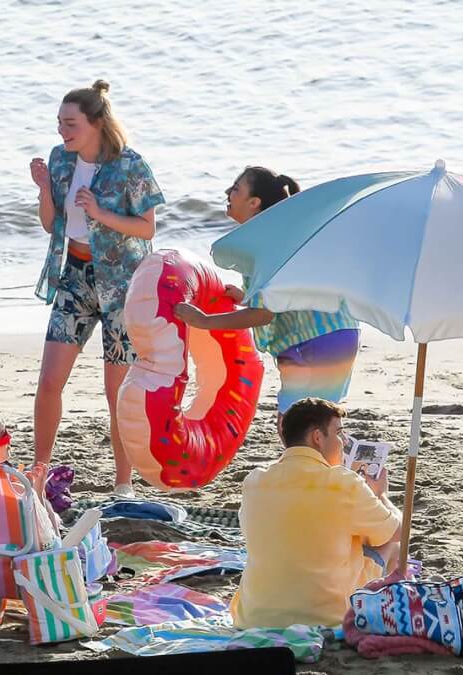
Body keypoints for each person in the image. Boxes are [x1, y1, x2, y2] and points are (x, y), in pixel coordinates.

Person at [28, 80, 165, 497]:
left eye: (70, 124)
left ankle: (123, 484)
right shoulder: (61, 160)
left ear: (96, 123)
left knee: (116, 391)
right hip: (75, 276)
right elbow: (52, 224)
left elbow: (148, 228)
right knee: (50, 379)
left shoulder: (130, 165)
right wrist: (43, 189)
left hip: (123, 286)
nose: (62, 132)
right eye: (59, 124)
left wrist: (102, 213)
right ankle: (38, 473)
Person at [175, 167, 360, 440]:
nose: (228, 193)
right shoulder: (277, 232)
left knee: (297, 430)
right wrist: (245, 296)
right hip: (336, 333)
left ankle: (358, 473)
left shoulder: (260, 241)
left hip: (315, 341)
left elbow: (263, 315)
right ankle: (358, 471)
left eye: (236, 189)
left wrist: (204, 321)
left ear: (254, 202)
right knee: (319, 425)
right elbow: (281, 293)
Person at [231, 398, 401, 629]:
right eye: (339, 433)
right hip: (327, 619)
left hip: (252, 619)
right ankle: (381, 617)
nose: (343, 442)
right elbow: (399, 531)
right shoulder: (342, 483)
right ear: (318, 438)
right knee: (393, 546)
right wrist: (380, 495)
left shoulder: (255, 480)